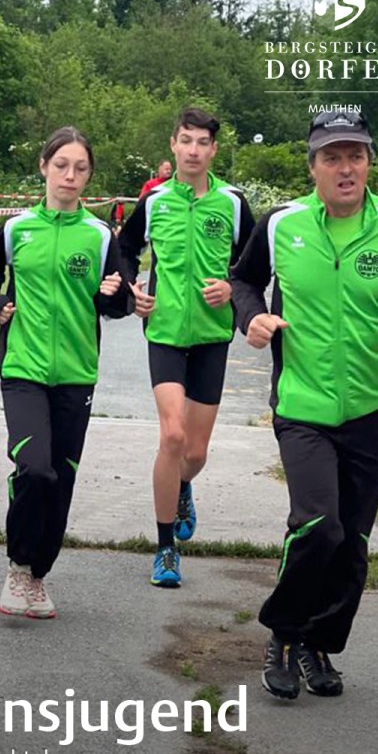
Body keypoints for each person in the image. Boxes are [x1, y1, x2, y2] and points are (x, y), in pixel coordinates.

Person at [229, 110, 378, 699]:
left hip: (371, 409)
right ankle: (283, 633)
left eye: (355, 155)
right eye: (332, 157)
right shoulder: (282, 224)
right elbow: (244, 281)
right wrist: (252, 317)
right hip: (302, 404)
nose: (345, 168)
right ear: (313, 167)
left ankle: (318, 642)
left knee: (351, 543)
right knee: (317, 526)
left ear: (369, 163)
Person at [0, 127, 131, 618]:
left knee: (60, 478)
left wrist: (111, 294)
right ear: (43, 167)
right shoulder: (17, 229)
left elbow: (119, 302)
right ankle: (18, 566)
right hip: (23, 366)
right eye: (61, 165)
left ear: (89, 176)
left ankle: (38, 576)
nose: (69, 175)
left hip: (77, 373)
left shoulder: (100, 236)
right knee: (35, 468)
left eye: (80, 168)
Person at [119, 107, 255, 588]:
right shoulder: (154, 201)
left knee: (194, 453)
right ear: (173, 145)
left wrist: (232, 288)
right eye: (186, 140)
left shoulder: (233, 204)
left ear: (213, 150)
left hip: (213, 338)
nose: (193, 150)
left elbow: (253, 265)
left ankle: (182, 486)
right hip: (165, 333)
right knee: (172, 436)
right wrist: (132, 289)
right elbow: (124, 250)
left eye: (202, 142)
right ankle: (165, 549)